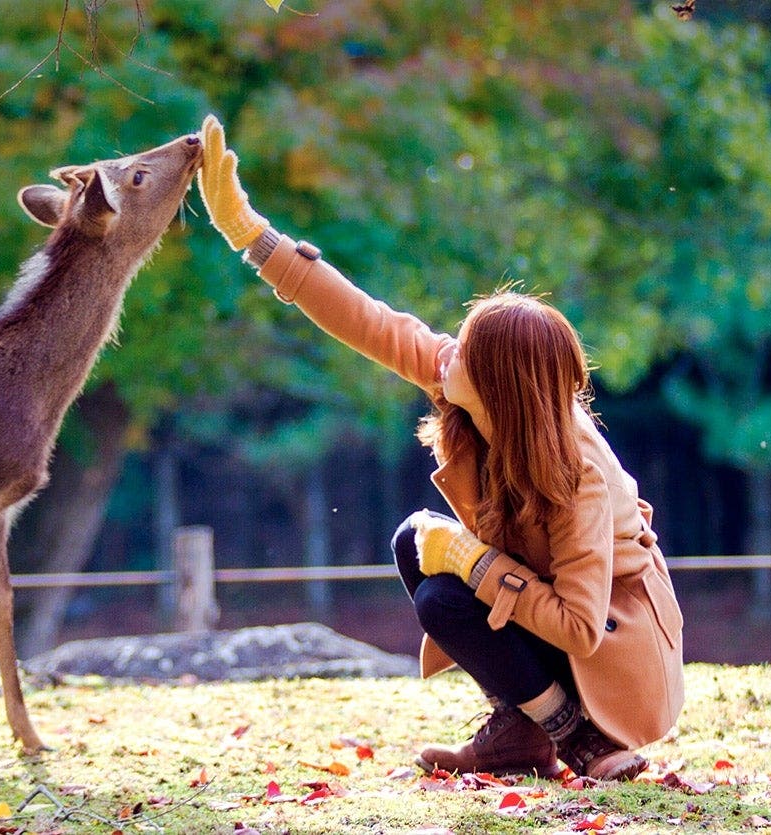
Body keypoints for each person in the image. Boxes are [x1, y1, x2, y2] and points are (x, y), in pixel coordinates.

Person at [195, 115, 684, 781]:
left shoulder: (581, 475)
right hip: (556, 619)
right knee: (412, 544)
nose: (445, 349)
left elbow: (579, 627)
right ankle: (520, 730)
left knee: (445, 597)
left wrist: (476, 564)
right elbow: (368, 321)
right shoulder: (474, 392)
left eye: (467, 346)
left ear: (499, 385)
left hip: (618, 660)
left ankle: (578, 739)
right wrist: (251, 236)